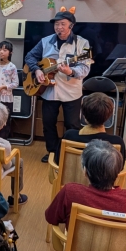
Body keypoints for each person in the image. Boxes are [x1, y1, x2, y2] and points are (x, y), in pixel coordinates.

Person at [24, 9, 91, 162]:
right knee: (48, 123)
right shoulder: (45, 41)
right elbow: (30, 56)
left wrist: (70, 71)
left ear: (71, 26)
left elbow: (85, 68)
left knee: (72, 125)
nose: (58, 27)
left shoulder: (83, 43)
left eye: (62, 24)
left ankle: (70, 155)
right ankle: (52, 152)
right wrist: (37, 70)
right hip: (49, 90)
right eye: (56, 24)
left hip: (72, 92)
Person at [45, 140, 126, 226]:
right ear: (118, 172)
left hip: (78, 245)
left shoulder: (70, 192)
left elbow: (51, 218)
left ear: (85, 172)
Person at [57, 92, 126, 161]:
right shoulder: (117, 142)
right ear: (108, 117)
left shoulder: (69, 136)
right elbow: (120, 166)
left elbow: (58, 161)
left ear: (83, 115)